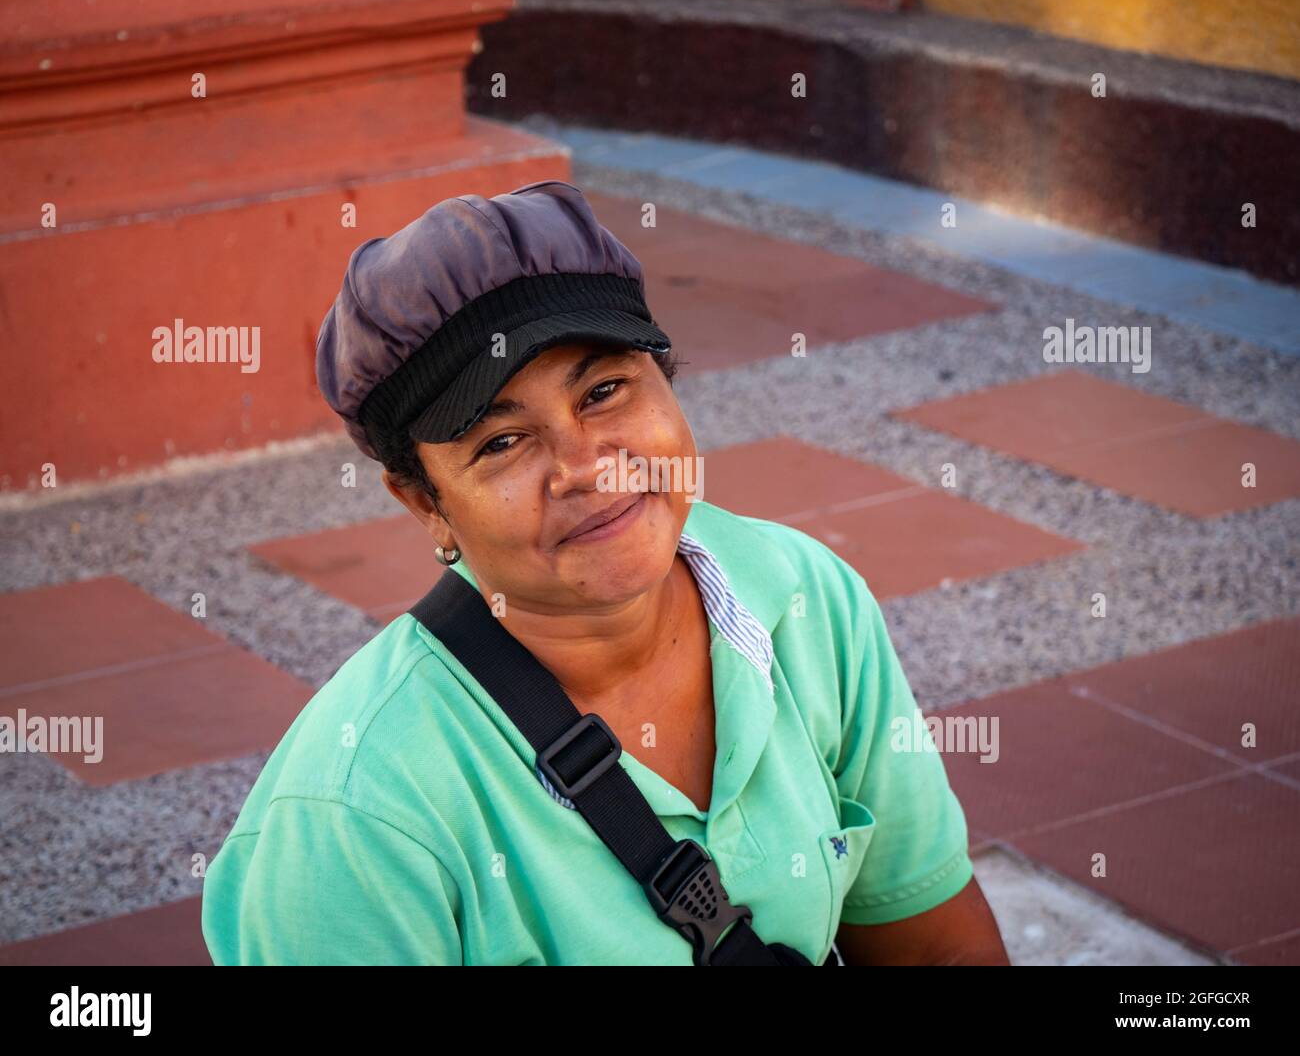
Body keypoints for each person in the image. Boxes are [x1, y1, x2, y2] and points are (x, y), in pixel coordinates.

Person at [200, 180, 1009, 966]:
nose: (585, 467)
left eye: (605, 390)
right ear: (426, 505)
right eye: (501, 443)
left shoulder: (803, 596)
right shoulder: (359, 815)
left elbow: (935, 942)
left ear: (669, 380)